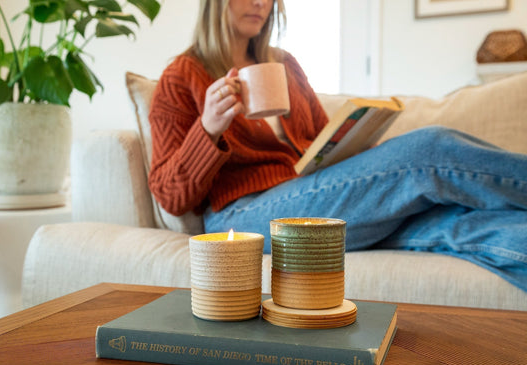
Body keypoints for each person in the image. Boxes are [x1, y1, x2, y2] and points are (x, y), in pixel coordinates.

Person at [148, 0, 527, 292]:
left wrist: (356, 145)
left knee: (458, 221)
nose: (261, 3)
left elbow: (318, 145)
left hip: (307, 196)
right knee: (428, 149)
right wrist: (208, 128)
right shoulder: (182, 76)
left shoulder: (286, 66)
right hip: (241, 217)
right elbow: (170, 195)